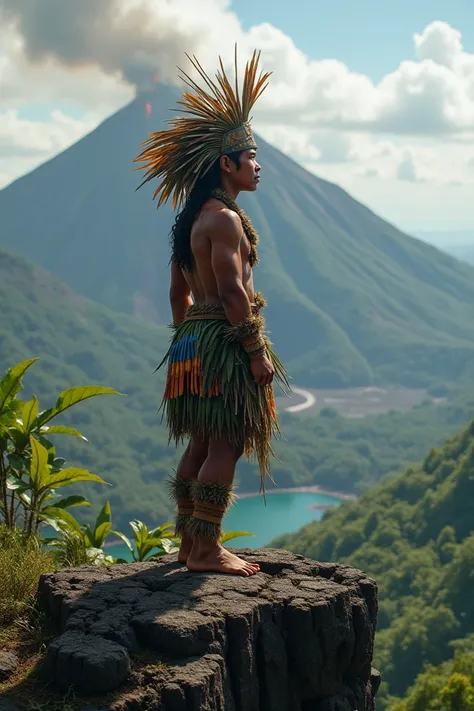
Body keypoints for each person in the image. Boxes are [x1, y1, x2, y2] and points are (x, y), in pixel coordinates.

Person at [134, 48, 288, 576]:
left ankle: (187, 543)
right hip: (224, 339)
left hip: (192, 345)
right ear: (227, 164)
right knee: (227, 440)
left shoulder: (187, 225)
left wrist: (187, 341)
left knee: (200, 439)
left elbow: (179, 296)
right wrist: (253, 350)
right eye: (251, 156)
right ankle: (206, 549)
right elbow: (230, 291)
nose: (258, 164)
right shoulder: (223, 220)